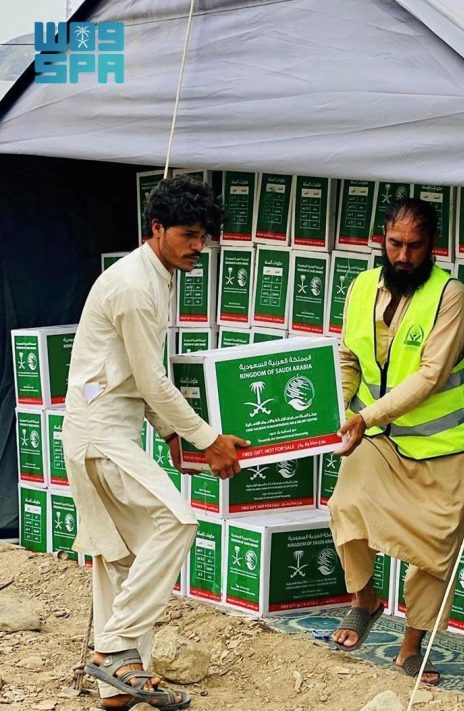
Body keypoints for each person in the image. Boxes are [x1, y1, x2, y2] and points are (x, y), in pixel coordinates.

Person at [64, 176, 248, 711]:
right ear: (157, 228)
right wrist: (207, 441)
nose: (198, 246)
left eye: (204, 236)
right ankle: (112, 649)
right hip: (101, 432)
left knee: (122, 559)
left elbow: (126, 373)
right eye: (188, 234)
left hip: (105, 427)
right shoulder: (135, 287)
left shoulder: (156, 277)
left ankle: (117, 688)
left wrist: (169, 433)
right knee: (177, 521)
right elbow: (152, 381)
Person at [329, 197, 464, 685]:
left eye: (414, 246)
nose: (403, 256)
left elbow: (431, 376)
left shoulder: (452, 297)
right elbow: (348, 356)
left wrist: (364, 416)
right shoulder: (360, 287)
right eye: (395, 244)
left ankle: (411, 647)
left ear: (432, 245)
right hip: (377, 435)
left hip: (442, 447)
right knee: (345, 507)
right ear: (382, 239)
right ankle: (365, 600)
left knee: (434, 554)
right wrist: (337, 411)